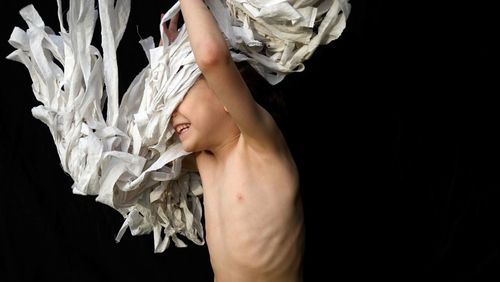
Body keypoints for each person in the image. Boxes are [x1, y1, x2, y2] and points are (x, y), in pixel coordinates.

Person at [163, 1, 305, 281]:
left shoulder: (260, 147)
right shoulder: (206, 161)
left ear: (226, 95)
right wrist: (168, 65)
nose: (172, 111)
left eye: (181, 95)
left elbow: (212, 56)